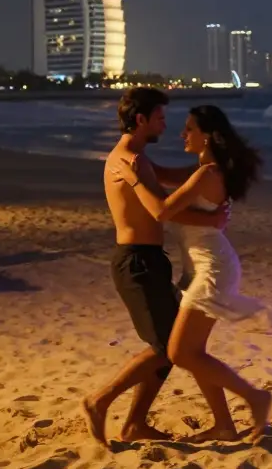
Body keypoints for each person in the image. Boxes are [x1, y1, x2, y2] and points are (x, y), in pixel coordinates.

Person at [113, 104, 272, 444]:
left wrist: (135, 178)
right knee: (194, 353)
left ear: (207, 136)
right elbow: (162, 173)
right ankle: (225, 426)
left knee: (181, 353)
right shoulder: (203, 170)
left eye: (189, 129)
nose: (182, 134)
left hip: (212, 269)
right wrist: (129, 153)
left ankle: (255, 397)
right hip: (199, 266)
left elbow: (162, 211)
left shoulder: (205, 174)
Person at [81, 87, 229, 446]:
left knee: (170, 348)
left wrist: (212, 170)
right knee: (169, 347)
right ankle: (99, 402)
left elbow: (168, 183)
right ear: (142, 119)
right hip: (136, 262)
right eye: (161, 117)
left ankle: (134, 424)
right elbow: (160, 210)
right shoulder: (127, 159)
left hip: (149, 261)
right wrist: (210, 221)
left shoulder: (139, 159)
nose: (167, 124)